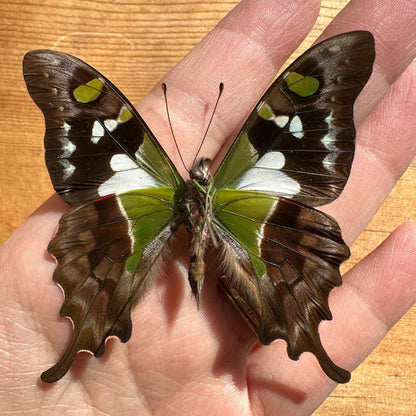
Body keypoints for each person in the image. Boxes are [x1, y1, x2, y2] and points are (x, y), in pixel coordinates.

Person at [1, 0, 416, 414]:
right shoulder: (228, 176)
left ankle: (302, 333)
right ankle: (77, 340)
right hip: (230, 230)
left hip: (165, 230)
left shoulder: (160, 178)